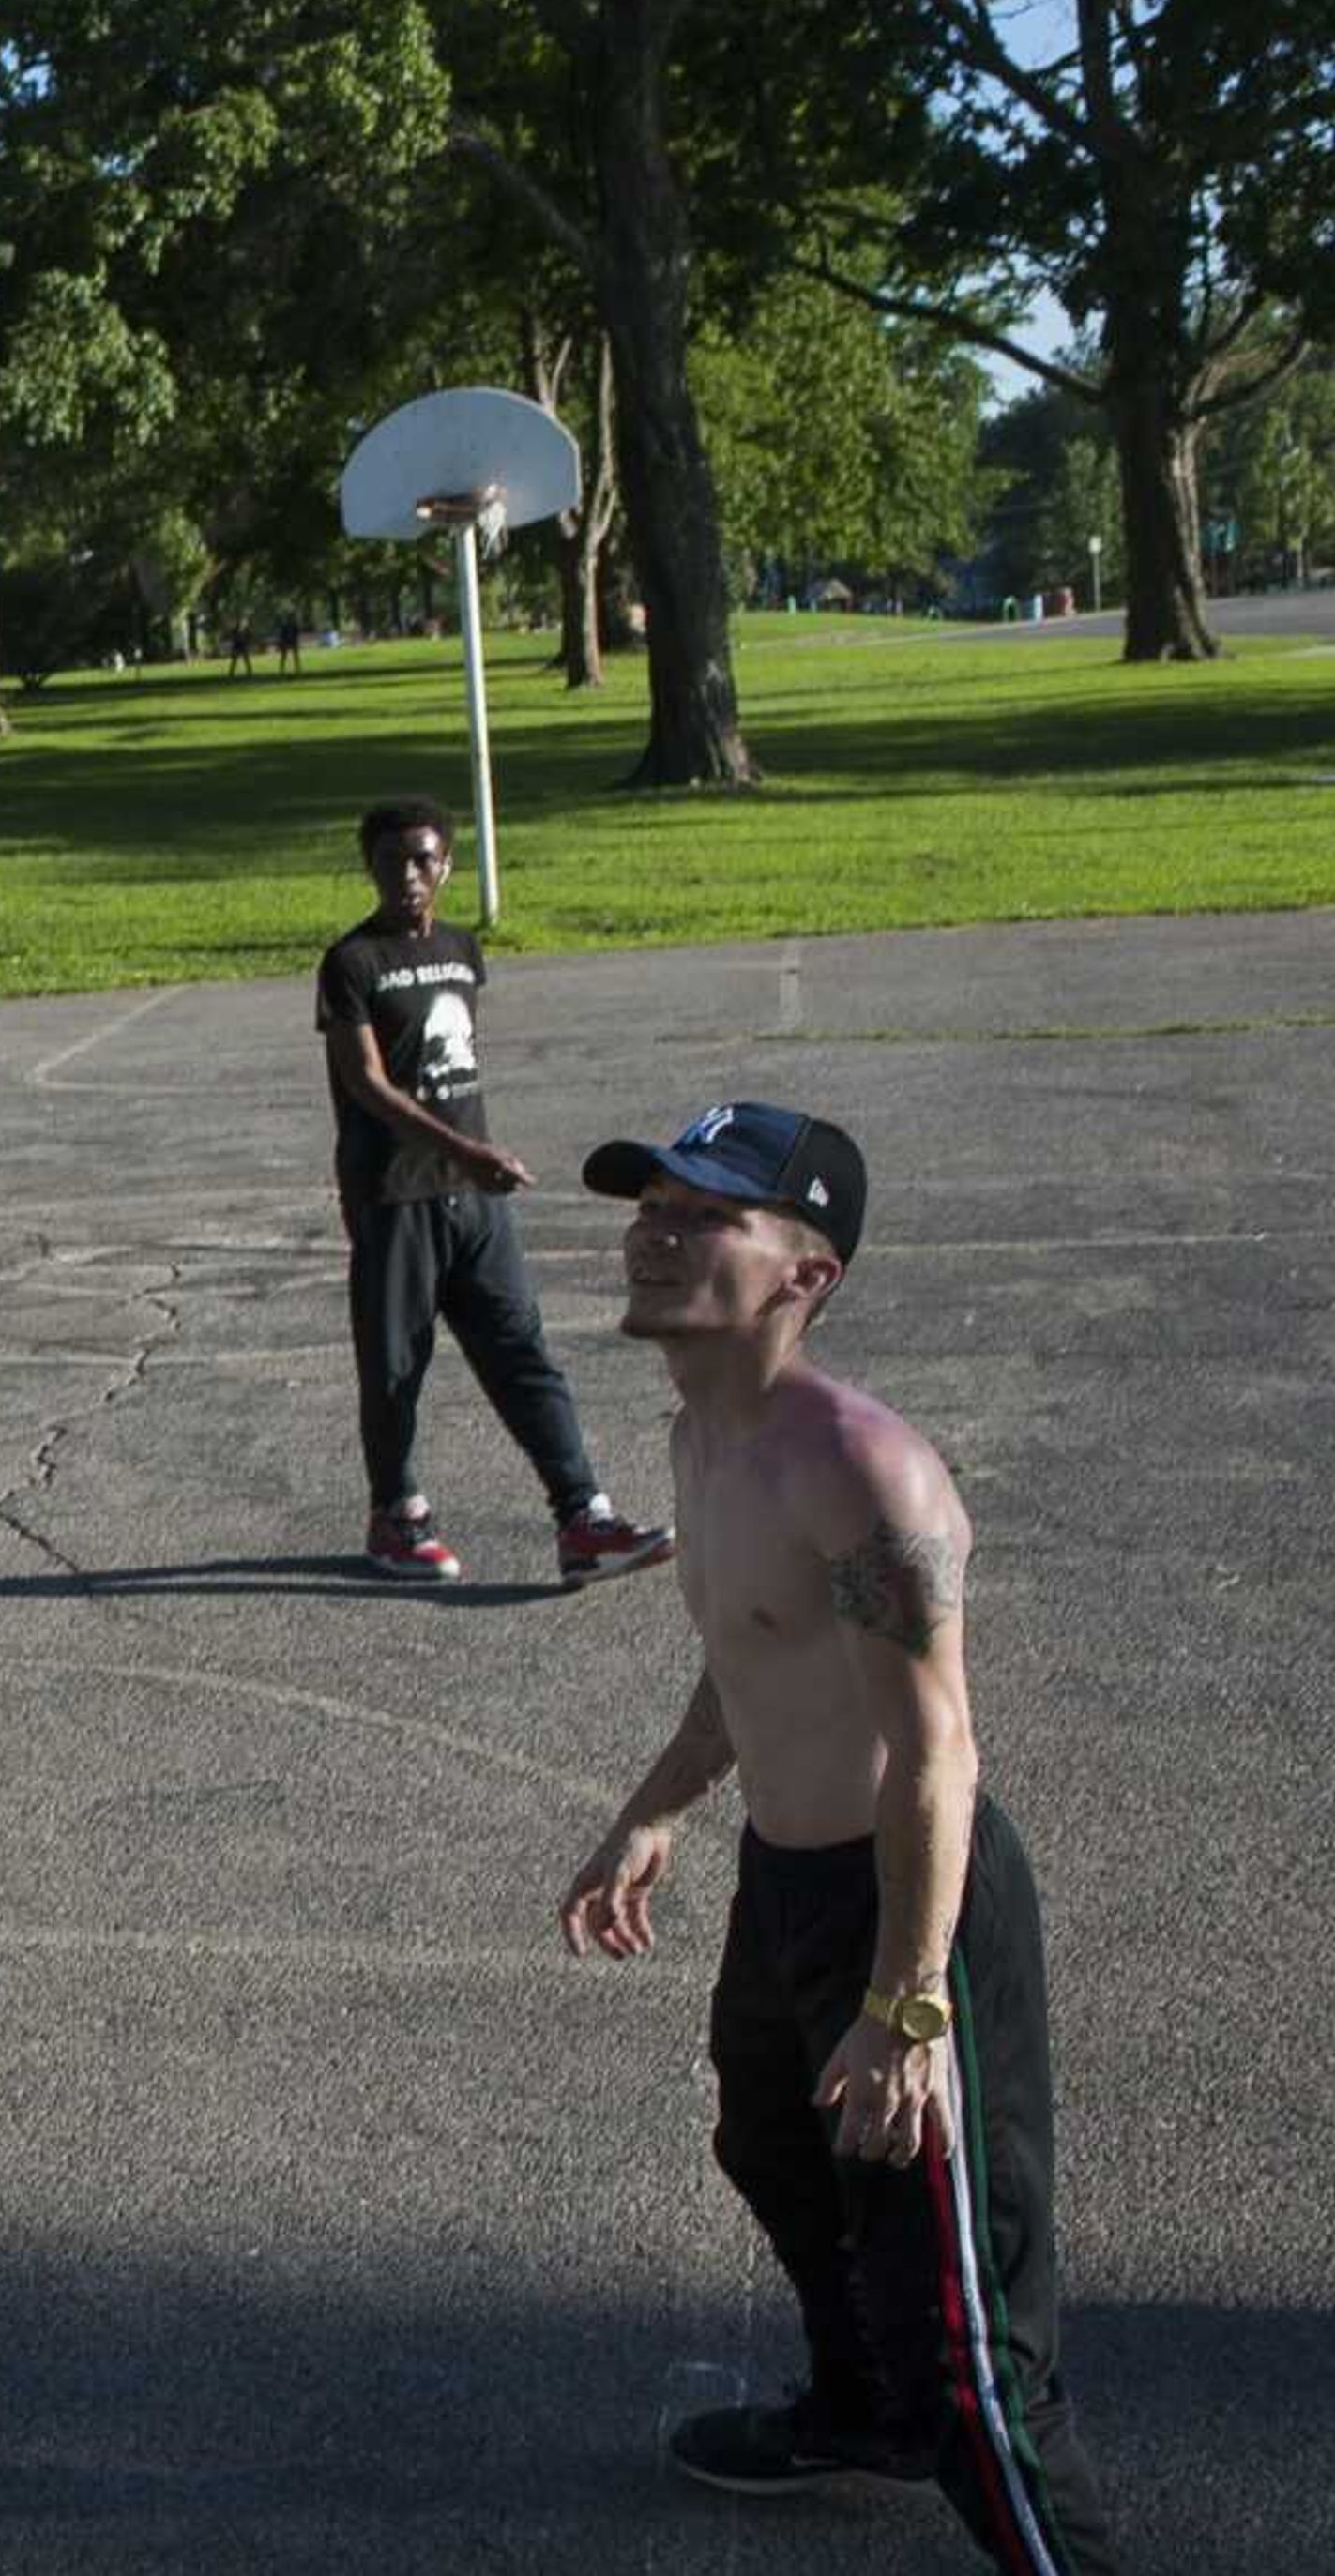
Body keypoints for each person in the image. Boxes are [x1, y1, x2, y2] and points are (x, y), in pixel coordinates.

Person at [560, 1103, 1117, 2574]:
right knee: (766, 2135)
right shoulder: (698, 1431)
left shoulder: (865, 1471)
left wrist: (907, 2001)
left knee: (969, 2343)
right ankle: (860, 2409)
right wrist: (655, 1810)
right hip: (787, 1881)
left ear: (808, 1274)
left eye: (704, 1216)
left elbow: (938, 1750)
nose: (654, 1231)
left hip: (906, 1898)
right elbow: (748, 1659)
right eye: (652, 1206)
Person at [314, 798, 669, 1583]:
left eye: (424, 858)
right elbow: (368, 1085)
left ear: (446, 864)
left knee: (522, 1351)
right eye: (392, 860)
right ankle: (397, 1518)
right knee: (396, 1364)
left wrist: (471, 1163)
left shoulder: (461, 950)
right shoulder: (352, 962)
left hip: (473, 1201)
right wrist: (465, 1150)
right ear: (368, 865)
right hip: (396, 1194)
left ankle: (584, 1517)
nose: (409, 874)